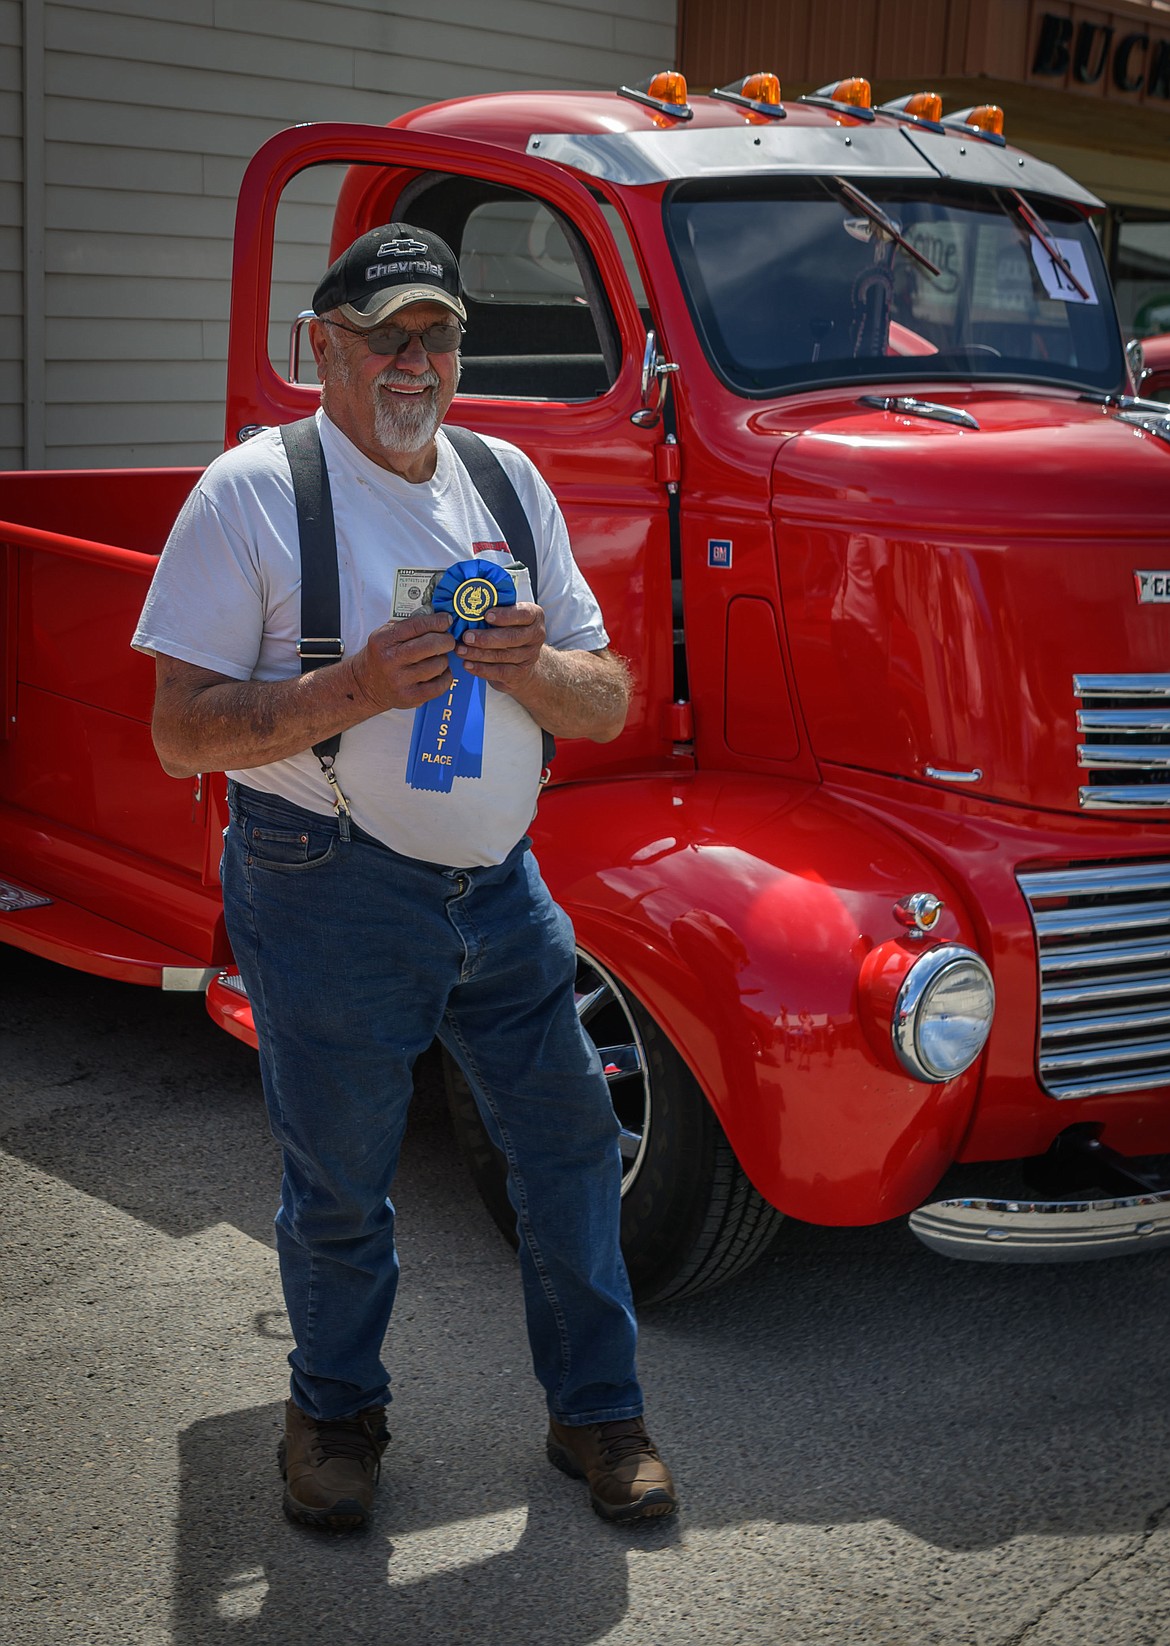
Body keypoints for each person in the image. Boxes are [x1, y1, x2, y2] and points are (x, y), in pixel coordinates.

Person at [133, 223, 676, 1530]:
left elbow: (601, 701)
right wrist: (353, 687)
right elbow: (177, 731)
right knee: (340, 1176)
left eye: (435, 333)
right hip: (325, 877)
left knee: (569, 1144)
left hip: (498, 882)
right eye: (384, 334)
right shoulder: (253, 492)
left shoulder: (505, 481)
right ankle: (332, 1415)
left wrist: (532, 671)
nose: (412, 359)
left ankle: (596, 1415)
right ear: (322, 346)